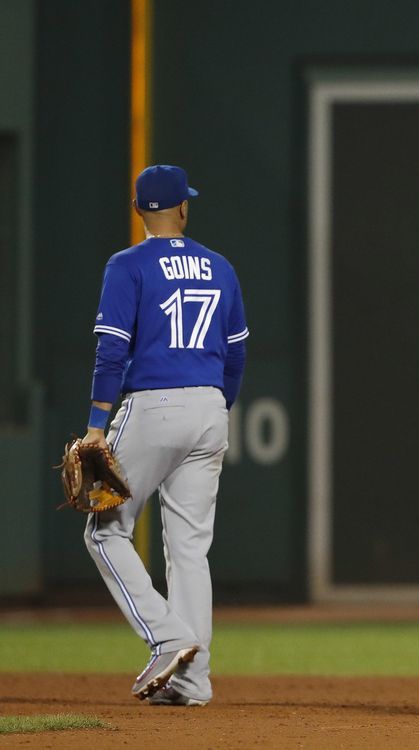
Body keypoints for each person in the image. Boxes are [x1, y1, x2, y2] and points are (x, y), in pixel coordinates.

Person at [80, 164, 248, 706]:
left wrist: (95, 426)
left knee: (104, 531)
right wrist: (217, 407)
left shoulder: (127, 265)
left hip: (153, 404)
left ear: (138, 211)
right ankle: (192, 682)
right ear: (183, 207)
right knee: (190, 551)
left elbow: (111, 348)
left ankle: (169, 638)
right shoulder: (220, 266)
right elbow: (237, 353)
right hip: (209, 407)